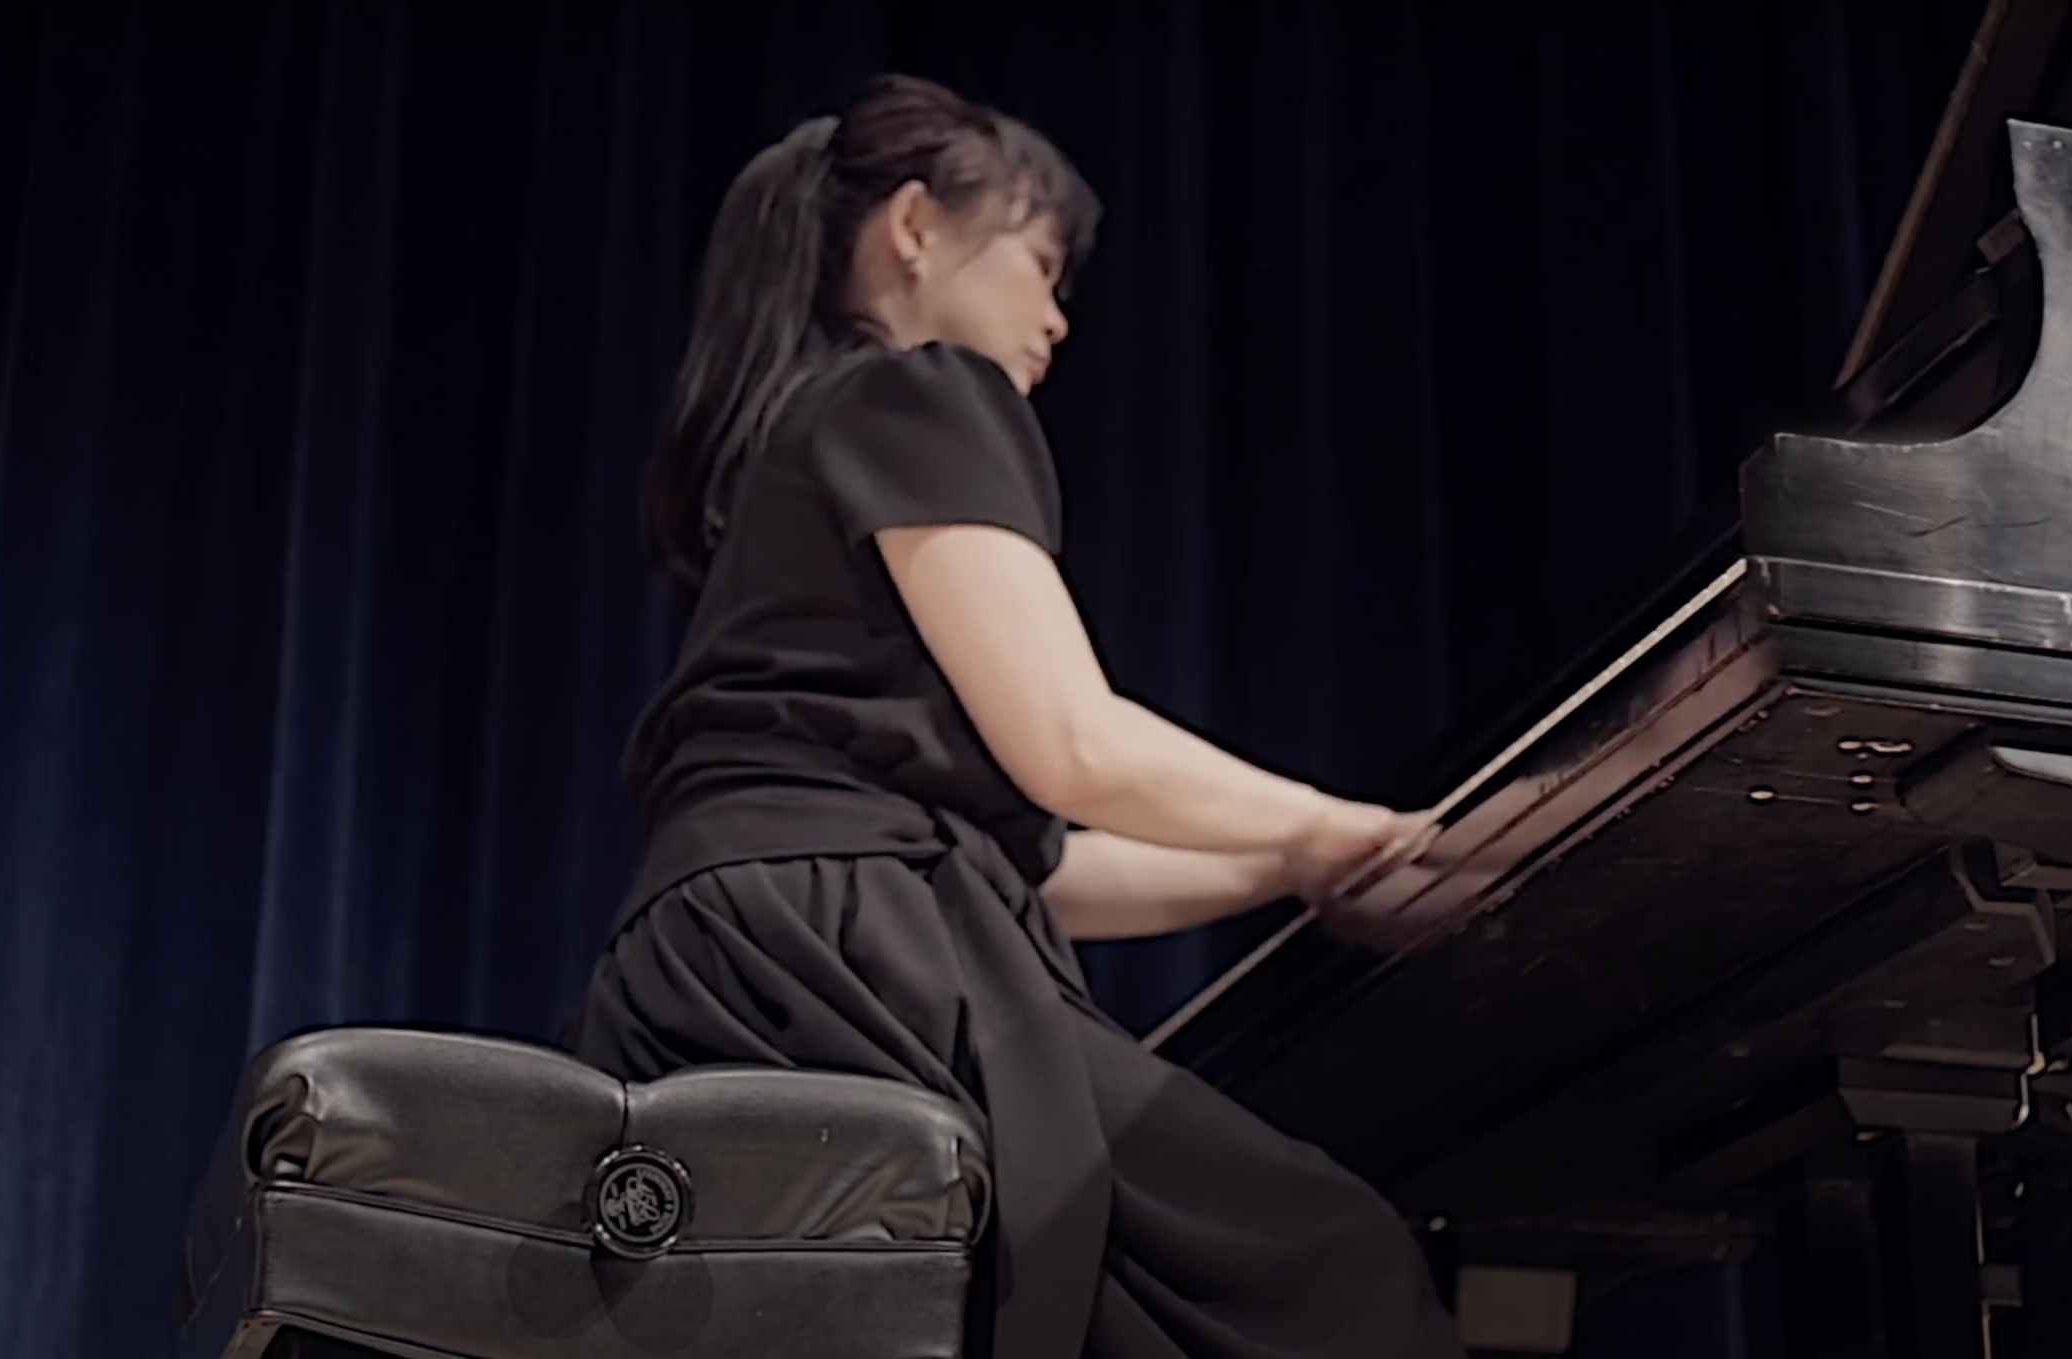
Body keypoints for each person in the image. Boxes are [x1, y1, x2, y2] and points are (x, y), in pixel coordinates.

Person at [561, 73, 1465, 1359]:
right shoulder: (915, 392)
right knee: (1331, 1271)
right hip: (839, 949)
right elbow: (1073, 747)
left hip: (737, 955)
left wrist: (1290, 870)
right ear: (914, 226)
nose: (1055, 318)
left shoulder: (800, 441)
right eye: (1041, 266)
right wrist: (1335, 823)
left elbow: (1023, 874)